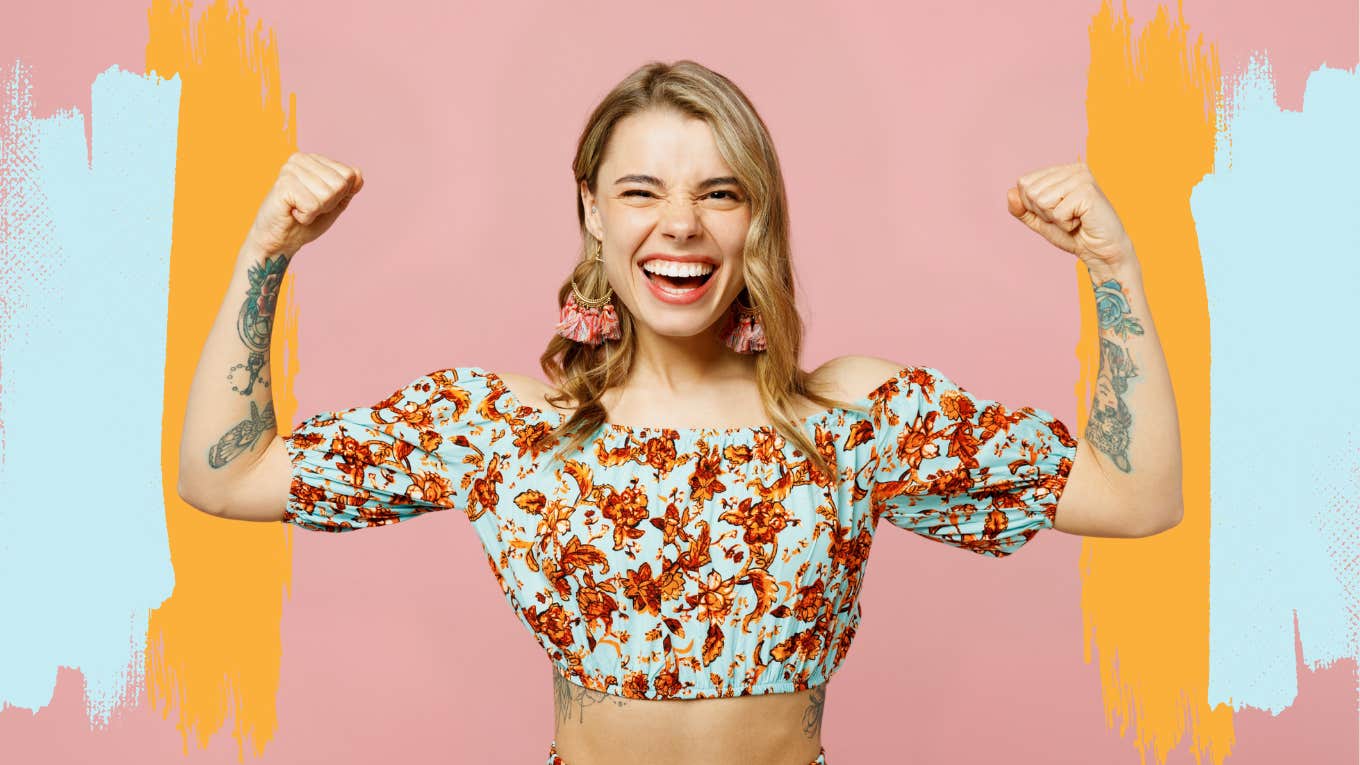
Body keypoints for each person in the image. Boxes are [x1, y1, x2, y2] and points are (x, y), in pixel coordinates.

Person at [177, 60, 1183, 765]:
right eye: (640, 190)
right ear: (590, 210)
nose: (681, 226)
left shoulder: (850, 416)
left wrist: (1111, 268)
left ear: (759, 218)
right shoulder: (500, 427)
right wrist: (265, 256)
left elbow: (1134, 499)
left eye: (720, 191)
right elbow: (225, 477)